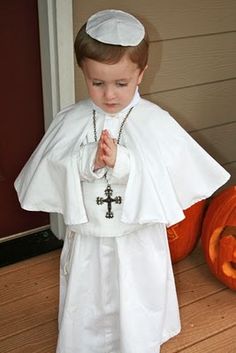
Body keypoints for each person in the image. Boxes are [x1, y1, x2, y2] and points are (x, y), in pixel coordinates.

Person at [14, 9, 230, 353]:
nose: (110, 95)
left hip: (135, 237)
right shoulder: (72, 120)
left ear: (141, 74)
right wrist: (89, 161)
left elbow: (161, 173)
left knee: (136, 287)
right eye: (97, 83)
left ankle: (137, 339)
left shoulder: (153, 121)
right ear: (83, 71)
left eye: (121, 83)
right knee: (90, 290)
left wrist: (124, 162)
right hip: (89, 234)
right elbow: (55, 166)